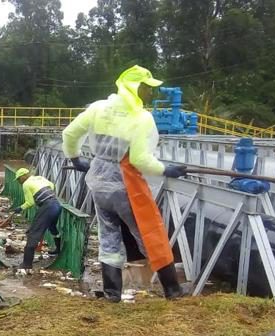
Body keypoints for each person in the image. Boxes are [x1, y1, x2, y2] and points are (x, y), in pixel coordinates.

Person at [62, 65, 186, 302]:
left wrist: (76, 158)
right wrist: (165, 169)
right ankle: (172, 289)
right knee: (150, 233)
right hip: (125, 184)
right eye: (148, 89)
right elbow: (140, 159)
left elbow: (69, 134)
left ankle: (112, 293)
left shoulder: (98, 108)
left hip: (98, 181)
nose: (151, 94)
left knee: (108, 235)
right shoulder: (141, 118)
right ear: (136, 88)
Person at [12, 167, 61, 271]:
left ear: (23, 176)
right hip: (56, 204)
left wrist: (20, 208)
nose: (19, 182)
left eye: (19, 179)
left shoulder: (26, 184)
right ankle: (57, 250)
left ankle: (26, 264)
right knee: (52, 228)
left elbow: (30, 202)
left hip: (47, 206)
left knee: (34, 233)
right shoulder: (39, 178)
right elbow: (52, 185)